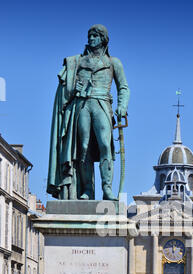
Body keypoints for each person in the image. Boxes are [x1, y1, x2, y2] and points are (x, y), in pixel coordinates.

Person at [47, 24, 130, 201]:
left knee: (105, 146)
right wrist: (71, 88)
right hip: (82, 105)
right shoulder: (78, 62)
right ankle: (88, 190)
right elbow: (66, 87)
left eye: (95, 35)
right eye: (89, 35)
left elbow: (123, 87)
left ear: (103, 39)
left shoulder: (113, 62)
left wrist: (122, 106)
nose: (91, 38)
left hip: (102, 104)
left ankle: (107, 189)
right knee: (83, 148)